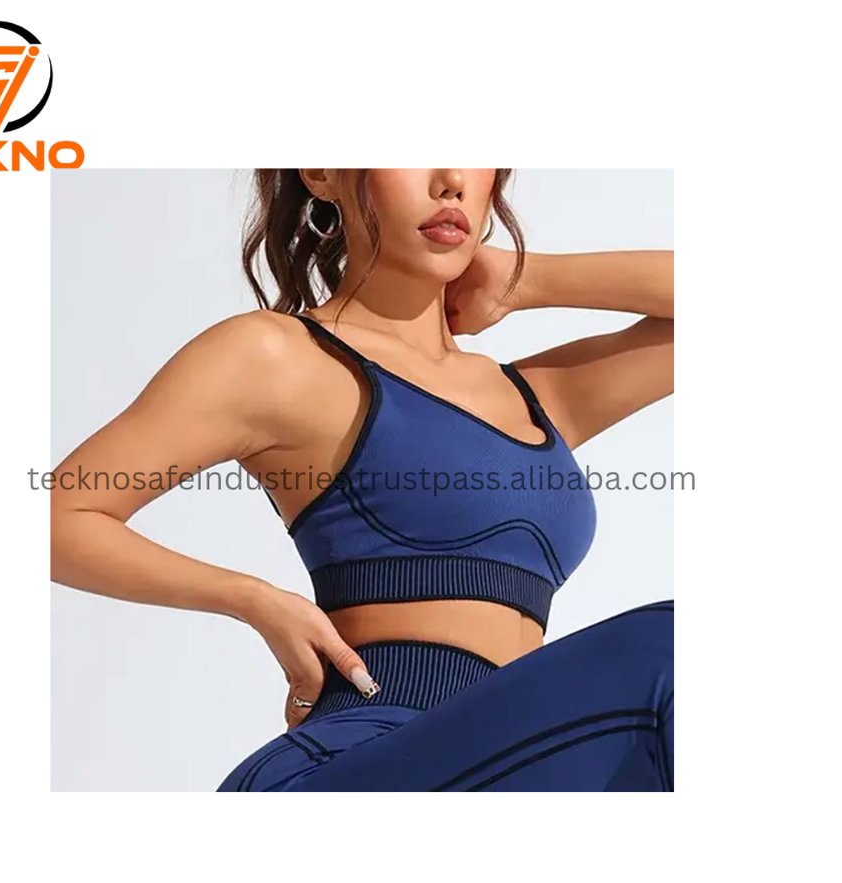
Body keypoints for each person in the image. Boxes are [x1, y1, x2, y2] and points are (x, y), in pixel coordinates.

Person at [50, 168, 674, 791]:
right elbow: (59, 519)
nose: (451, 180)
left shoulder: (536, 397)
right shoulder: (280, 357)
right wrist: (255, 600)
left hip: (517, 759)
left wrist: (525, 280)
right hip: (361, 754)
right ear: (323, 174)